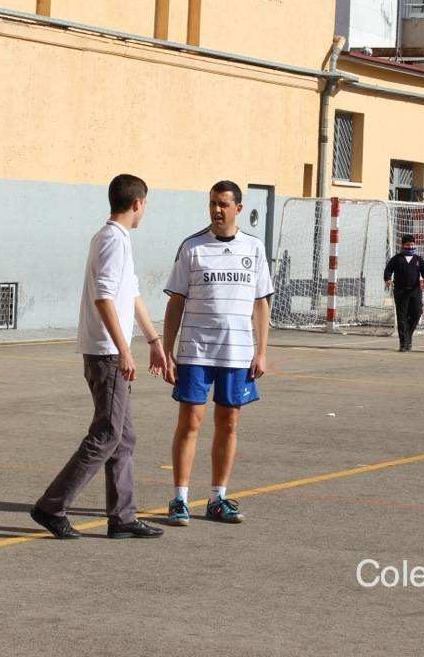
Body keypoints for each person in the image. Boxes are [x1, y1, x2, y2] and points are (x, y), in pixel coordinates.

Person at [30, 174, 168, 540]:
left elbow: (131, 293)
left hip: (110, 351)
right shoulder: (111, 241)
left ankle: (122, 517)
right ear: (138, 203)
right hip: (106, 353)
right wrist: (124, 350)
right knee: (107, 434)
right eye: (146, 205)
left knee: (124, 436)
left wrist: (154, 340)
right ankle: (52, 506)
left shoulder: (116, 240)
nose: (145, 211)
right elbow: (104, 297)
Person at [162, 180, 273, 526]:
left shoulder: (253, 249)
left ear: (238, 208)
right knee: (190, 421)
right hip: (195, 349)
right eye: (213, 203)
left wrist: (262, 352)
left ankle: (217, 498)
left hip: (237, 354)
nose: (216, 209)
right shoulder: (192, 247)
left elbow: (261, 304)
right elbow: (176, 301)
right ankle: (180, 498)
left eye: (224, 204)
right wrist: (167, 350)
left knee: (229, 422)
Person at [383, 234, 424, 352]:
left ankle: (408, 335)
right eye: (407, 245)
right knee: (402, 317)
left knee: (417, 313)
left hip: (415, 290)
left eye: (412, 244)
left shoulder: (418, 259)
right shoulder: (396, 258)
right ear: (403, 245)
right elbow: (388, 270)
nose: (410, 247)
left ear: (415, 245)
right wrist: (388, 279)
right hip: (400, 291)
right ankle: (403, 344)